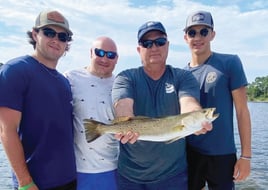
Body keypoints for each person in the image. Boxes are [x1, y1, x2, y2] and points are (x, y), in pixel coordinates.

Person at [111, 21, 212, 190]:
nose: (154, 47)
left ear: (168, 46)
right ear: (139, 50)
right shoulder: (126, 77)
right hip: (129, 176)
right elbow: (122, 104)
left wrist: (197, 116)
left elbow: (188, 104)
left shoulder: (183, 77)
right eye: (147, 43)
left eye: (160, 42)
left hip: (172, 176)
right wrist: (125, 123)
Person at [0, 10, 77, 189]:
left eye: (62, 36)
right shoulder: (14, 71)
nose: (56, 40)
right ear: (35, 34)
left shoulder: (64, 82)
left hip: (69, 180)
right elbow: (6, 131)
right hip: (35, 184)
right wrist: (25, 183)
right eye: (49, 33)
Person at [183, 10, 252, 190]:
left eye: (203, 31)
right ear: (185, 37)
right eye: (192, 32)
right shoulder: (181, 75)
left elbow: (242, 111)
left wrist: (246, 156)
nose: (198, 37)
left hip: (223, 153)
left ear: (212, 34)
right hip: (190, 153)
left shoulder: (230, 63)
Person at [64, 36, 119, 190]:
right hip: (75, 171)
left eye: (110, 55)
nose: (104, 58)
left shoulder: (121, 84)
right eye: (99, 52)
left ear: (117, 59)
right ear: (91, 53)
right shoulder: (70, 78)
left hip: (113, 170)